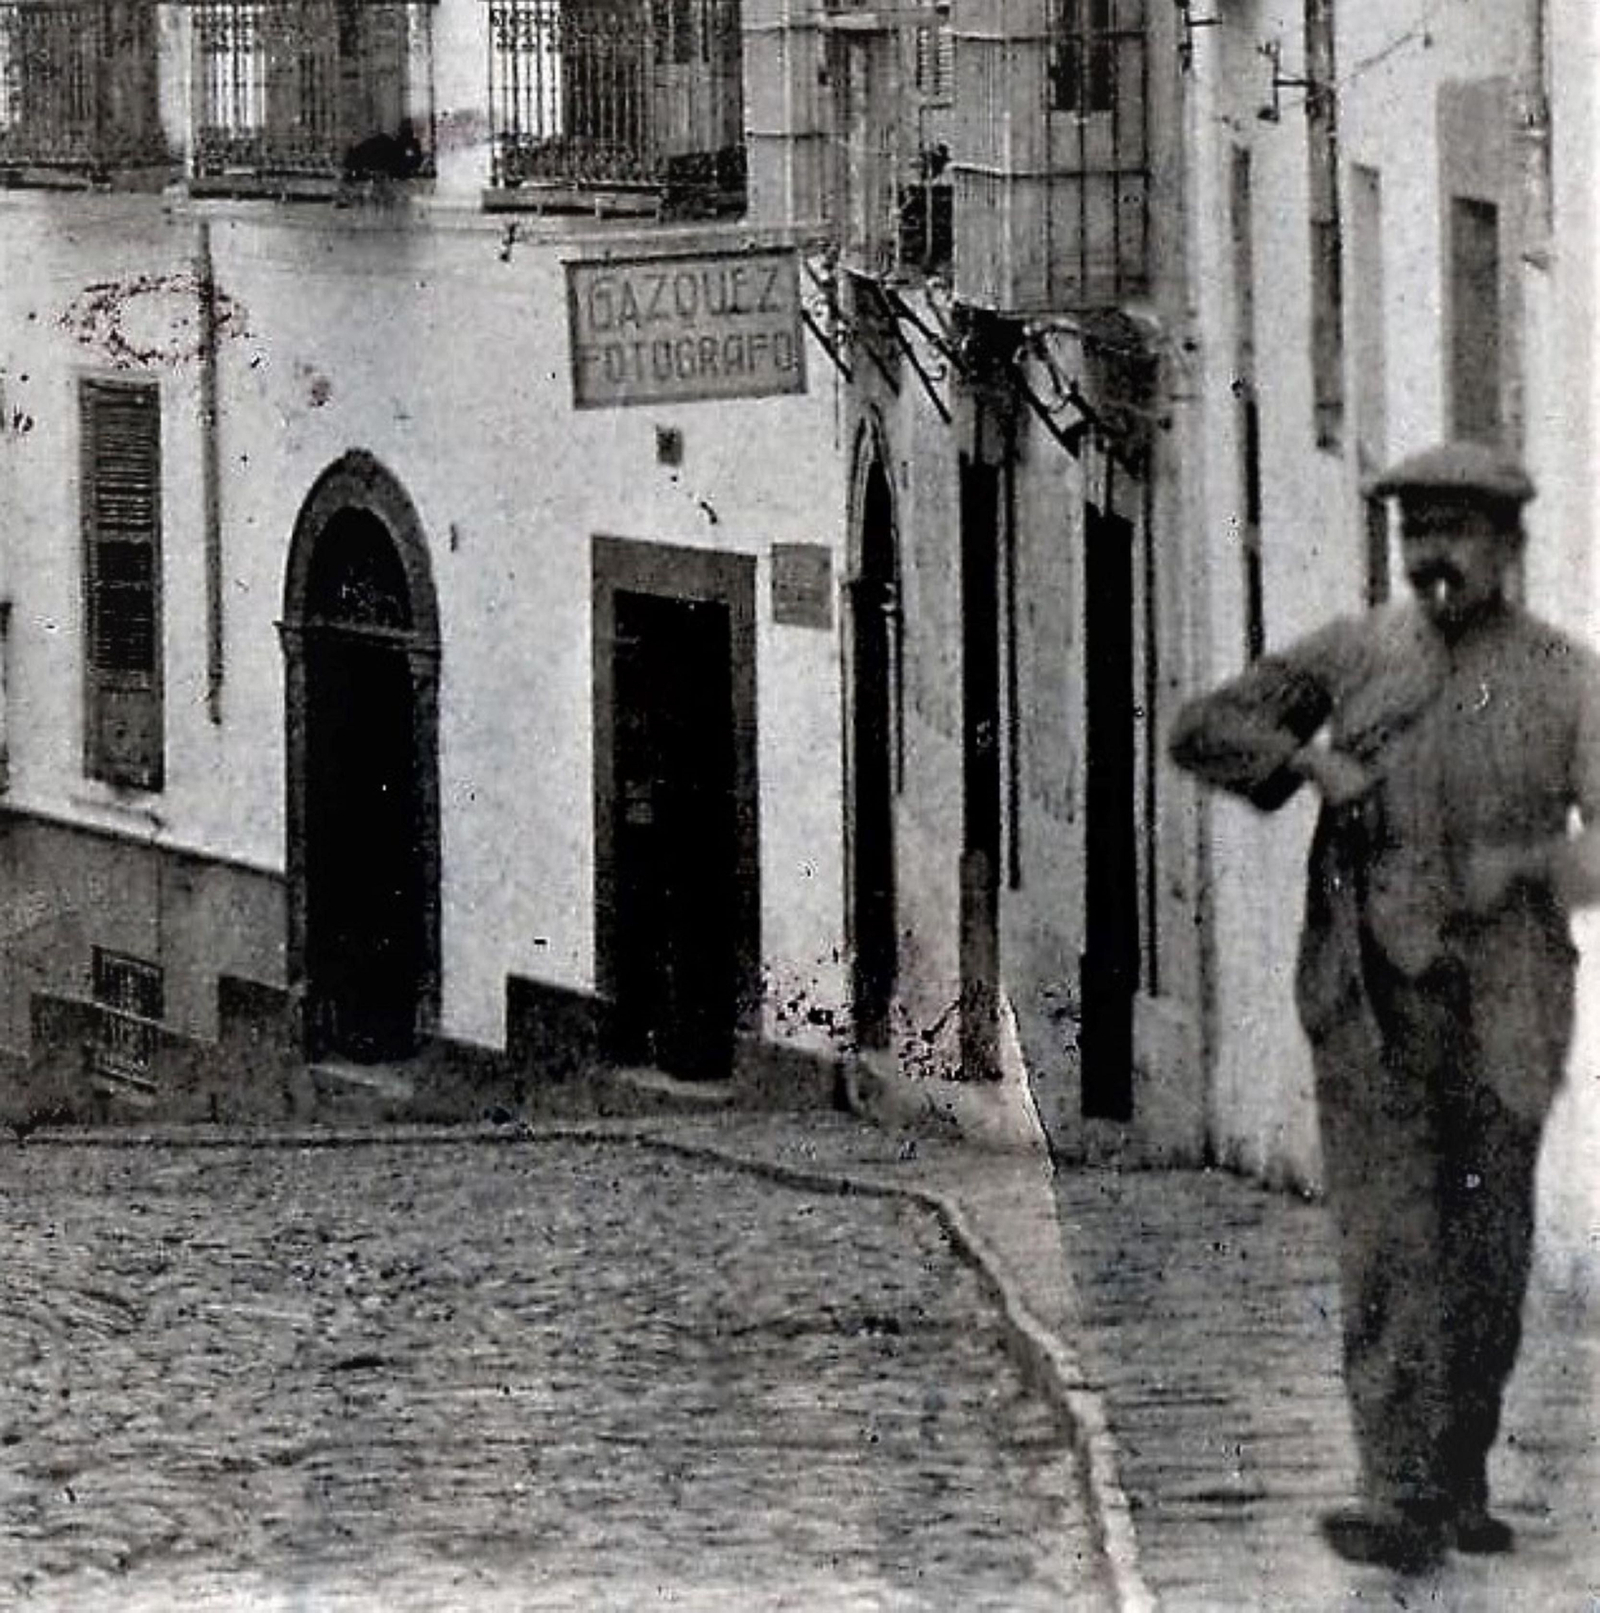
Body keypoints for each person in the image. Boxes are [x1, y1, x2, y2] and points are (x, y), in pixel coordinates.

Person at [1168, 440, 1600, 1572]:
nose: (1432, 560)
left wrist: (1524, 870)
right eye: (1415, 538)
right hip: (1368, 1000)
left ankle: (1454, 1476)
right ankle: (1394, 1491)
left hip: (1506, 1013)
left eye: (1453, 538)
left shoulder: (1566, 679)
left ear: (1506, 547)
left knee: (1484, 1256)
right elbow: (1201, 726)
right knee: (1387, 1250)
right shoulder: (1357, 655)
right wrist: (1309, 765)